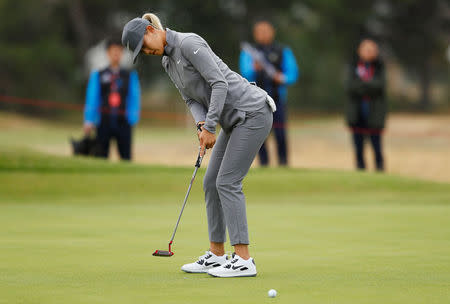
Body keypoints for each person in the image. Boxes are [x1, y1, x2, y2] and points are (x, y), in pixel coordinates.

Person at [122, 13, 276, 277]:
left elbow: (220, 84)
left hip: (252, 112)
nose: (147, 52)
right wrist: (201, 126)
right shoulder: (168, 62)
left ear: (151, 29)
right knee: (210, 182)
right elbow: (190, 99)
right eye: (142, 51)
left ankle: (243, 259)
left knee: (227, 182)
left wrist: (210, 127)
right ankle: (217, 254)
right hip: (232, 121)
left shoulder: (188, 44)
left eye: (145, 45)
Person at [239, 20, 299, 166]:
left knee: (280, 134)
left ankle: (283, 164)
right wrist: (255, 68)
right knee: (259, 135)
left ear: (273, 32)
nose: (264, 34)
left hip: (278, 99)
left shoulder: (283, 50)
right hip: (256, 100)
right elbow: (244, 74)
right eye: (260, 31)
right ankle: (264, 164)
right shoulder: (249, 52)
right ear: (255, 34)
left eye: (267, 31)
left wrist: (282, 78)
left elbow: (292, 74)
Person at [83, 38, 141, 161]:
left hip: (123, 122)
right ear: (108, 53)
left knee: (126, 158)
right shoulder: (98, 74)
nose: (116, 54)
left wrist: (133, 118)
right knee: (101, 157)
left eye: (119, 51)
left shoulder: (129, 75)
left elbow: (134, 97)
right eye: (113, 51)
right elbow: (92, 98)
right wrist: (89, 119)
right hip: (103, 122)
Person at [346, 38, 387, 171]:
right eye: (366, 49)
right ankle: (360, 172)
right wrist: (369, 84)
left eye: (372, 50)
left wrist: (362, 83)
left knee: (377, 146)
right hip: (356, 113)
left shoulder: (380, 67)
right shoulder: (353, 66)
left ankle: (380, 171)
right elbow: (350, 86)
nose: (369, 52)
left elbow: (380, 85)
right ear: (360, 51)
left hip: (375, 114)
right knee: (358, 147)